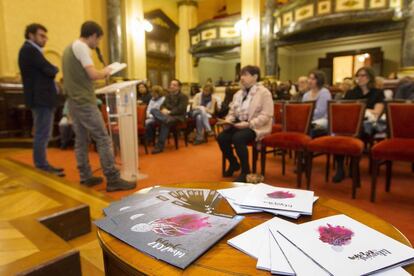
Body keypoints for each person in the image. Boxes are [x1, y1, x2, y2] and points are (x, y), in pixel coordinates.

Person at [62, 21, 135, 191]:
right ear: (93, 35)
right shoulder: (82, 47)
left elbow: (78, 77)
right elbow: (93, 74)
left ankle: (85, 176)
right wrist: (107, 71)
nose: (97, 44)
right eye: (98, 40)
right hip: (84, 101)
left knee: (81, 140)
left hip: (73, 101)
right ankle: (113, 178)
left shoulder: (68, 49)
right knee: (103, 139)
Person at [18, 23, 65, 177]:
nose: (45, 39)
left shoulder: (32, 51)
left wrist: (51, 70)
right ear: (31, 35)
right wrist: (54, 69)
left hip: (42, 99)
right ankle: (42, 165)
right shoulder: (29, 50)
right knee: (42, 134)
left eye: (45, 36)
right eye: (41, 35)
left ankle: (43, 164)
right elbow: (50, 69)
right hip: (41, 99)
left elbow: (47, 69)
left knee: (43, 133)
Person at [217, 65, 273, 182]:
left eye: (245, 75)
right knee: (222, 137)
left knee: (238, 138)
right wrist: (228, 121)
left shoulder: (264, 93)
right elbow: (232, 112)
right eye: (241, 75)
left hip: (256, 126)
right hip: (239, 124)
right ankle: (234, 163)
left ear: (255, 77)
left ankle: (245, 171)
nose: (242, 78)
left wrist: (249, 124)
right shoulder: (238, 94)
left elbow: (267, 115)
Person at [332, 67, 385, 183]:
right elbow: (344, 110)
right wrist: (365, 109)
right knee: (339, 133)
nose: (360, 78)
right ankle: (340, 167)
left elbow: (377, 112)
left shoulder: (377, 93)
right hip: (350, 123)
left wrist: (358, 109)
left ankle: (353, 165)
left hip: (368, 124)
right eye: (358, 75)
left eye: (363, 75)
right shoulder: (351, 93)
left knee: (358, 130)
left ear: (370, 77)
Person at [148, 79, 189, 154]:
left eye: (174, 85)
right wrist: (163, 109)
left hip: (177, 117)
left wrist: (169, 112)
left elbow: (180, 109)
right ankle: (165, 119)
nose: (172, 86)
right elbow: (162, 106)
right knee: (153, 110)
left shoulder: (183, 97)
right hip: (167, 117)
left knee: (165, 123)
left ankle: (159, 147)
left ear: (179, 87)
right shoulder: (168, 95)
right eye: (171, 84)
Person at [302, 70, 331, 137]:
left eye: (313, 79)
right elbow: (303, 109)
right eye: (309, 78)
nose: (310, 81)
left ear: (319, 80)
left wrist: (307, 116)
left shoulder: (324, 93)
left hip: (322, 119)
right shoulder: (306, 95)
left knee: (309, 126)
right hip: (309, 119)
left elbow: (320, 112)